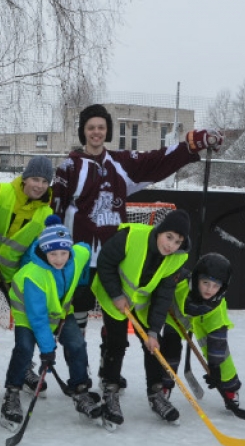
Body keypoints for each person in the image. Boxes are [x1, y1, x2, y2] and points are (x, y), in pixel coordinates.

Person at [52, 103, 222, 383]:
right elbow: (55, 209)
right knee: (76, 321)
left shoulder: (120, 162)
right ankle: (79, 378)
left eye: (101, 127)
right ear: (83, 131)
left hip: (113, 259)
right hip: (78, 259)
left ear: (107, 131)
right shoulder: (69, 166)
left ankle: (109, 376)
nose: (96, 132)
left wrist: (191, 146)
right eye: (91, 127)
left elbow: (155, 160)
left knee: (114, 323)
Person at [92, 209, 192, 427]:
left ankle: (156, 394)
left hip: (142, 302)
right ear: (160, 231)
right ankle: (110, 391)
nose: (171, 245)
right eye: (169, 237)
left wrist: (154, 330)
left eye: (177, 241)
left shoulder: (176, 259)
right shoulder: (130, 237)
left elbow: (164, 294)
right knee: (117, 343)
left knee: (154, 345)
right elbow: (105, 263)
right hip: (114, 295)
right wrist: (117, 295)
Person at [1, 215, 101, 430]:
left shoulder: (77, 256)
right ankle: (12, 392)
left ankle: (80, 390)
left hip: (61, 314)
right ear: (44, 251)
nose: (58, 258)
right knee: (25, 348)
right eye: (52, 253)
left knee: (76, 344)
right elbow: (37, 318)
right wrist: (47, 349)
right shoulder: (33, 275)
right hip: (29, 317)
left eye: (63, 253)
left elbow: (83, 247)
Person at [0, 155, 55, 393]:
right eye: (35, 179)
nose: (39, 185)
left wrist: (27, 274)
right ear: (25, 178)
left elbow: (34, 249)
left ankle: (25, 366)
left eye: (45, 181)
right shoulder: (2, 193)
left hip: (14, 273)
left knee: (25, 319)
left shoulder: (45, 213)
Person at [168, 253, 243, 407]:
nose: (210, 289)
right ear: (196, 279)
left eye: (216, 286)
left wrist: (214, 368)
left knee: (220, 354)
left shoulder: (217, 307)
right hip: (177, 315)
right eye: (206, 283)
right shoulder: (181, 282)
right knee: (170, 348)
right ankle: (164, 385)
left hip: (205, 320)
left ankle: (230, 389)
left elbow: (217, 341)